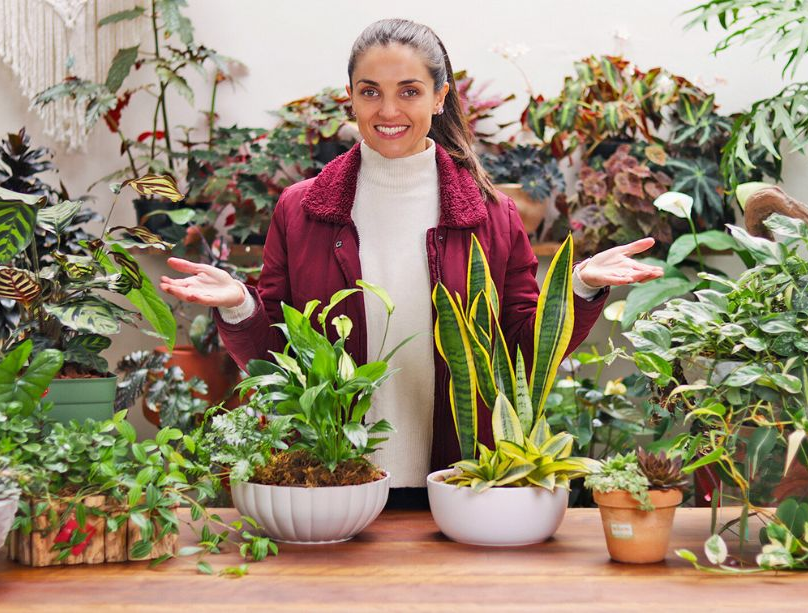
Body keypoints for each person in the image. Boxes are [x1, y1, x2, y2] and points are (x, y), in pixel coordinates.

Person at [160, 18, 663, 505]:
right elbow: (277, 363)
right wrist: (237, 308)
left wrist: (578, 289)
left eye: (409, 91)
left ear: (440, 96)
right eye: (370, 91)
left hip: (460, 484)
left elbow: (523, 355)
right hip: (334, 486)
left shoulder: (492, 215)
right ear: (351, 97)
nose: (387, 109)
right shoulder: (301, 209)